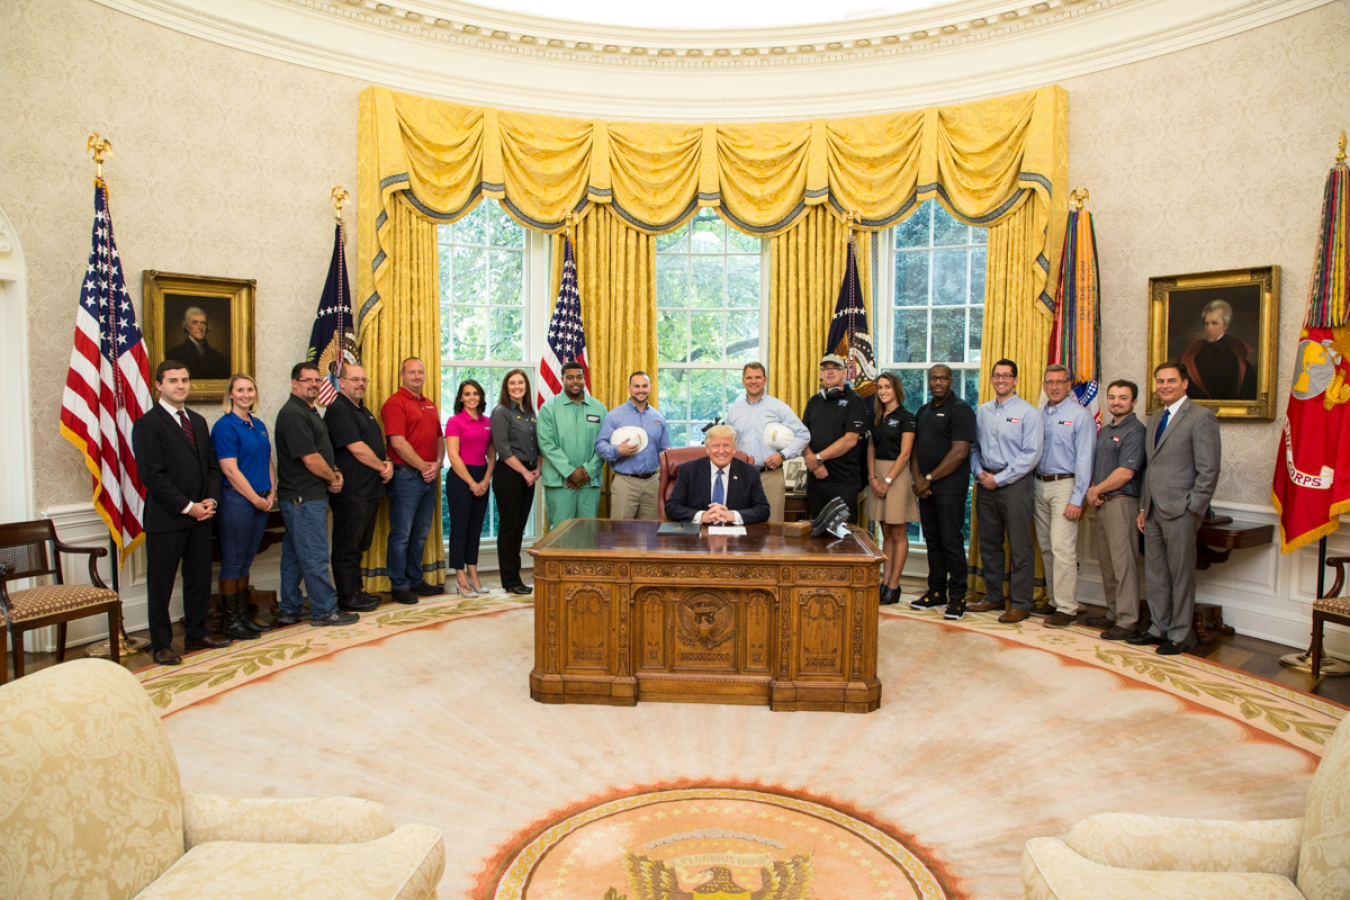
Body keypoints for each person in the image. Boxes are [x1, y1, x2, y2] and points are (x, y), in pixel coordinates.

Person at [132, 360, 229, 666]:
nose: (180, 385)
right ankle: (161, 643)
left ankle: (197, 632)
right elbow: (153, 476)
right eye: (173, 380)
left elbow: (212, 468)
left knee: (199, 577)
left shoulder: (199, 421)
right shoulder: (147, 424)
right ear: (158, 385)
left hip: (202, 516)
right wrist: (188, 507)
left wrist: (211, 500)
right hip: (168, 519)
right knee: (160, 583)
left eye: (185, 380)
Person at [1134, 362, 1221, 655]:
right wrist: (1144, 508)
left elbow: (1208, 471)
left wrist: (1193, 508)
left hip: (1182, 511)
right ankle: (1159, 628)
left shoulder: (1200, 417)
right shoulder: (1155, 418)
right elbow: (1151, 467)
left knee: (1180, 574)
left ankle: (1181, 634)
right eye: (1160, 381)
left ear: (1185, 383)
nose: (1164, 386)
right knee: (1156, 573)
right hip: (1153, 511)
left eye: (1171, 380)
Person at [274, 362, 356, 628]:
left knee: (296, 556)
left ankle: (289, 608)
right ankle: (324, 609)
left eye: (317, 380)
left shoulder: (309, 411)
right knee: (315, 554)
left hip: (306, 495)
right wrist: (333, 478)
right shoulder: (294, 414)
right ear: (294, 383)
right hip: (303, 497)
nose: (313, 384)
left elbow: (320, 450)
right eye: (306, 380)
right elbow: (309, 459)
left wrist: (333, 469)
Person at [968, 359, 1043, 623]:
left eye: (1007, 376)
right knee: (989, 543)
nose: (1001, 380)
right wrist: (978, 472)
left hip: (1014, 485)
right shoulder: (983, 411)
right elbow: (974, 447)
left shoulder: (1028, 413)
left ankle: (1021, 603)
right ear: (991, 379)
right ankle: (993, 595)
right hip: (984, 481)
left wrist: (999, 480)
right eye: (997, 375)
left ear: (1015, 380)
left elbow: (1031, 455)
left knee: (1020, 546)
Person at [909, 365, 977, 618]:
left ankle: (957, 598)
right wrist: (918, 480)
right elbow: (915, 449)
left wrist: (928, 478)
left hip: (949, 488)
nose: (938, 382)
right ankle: (936, 592)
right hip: (926, 489)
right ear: (929, 381)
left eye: (943, 378)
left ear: (951, 380)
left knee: (951, 541)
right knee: (933, 542)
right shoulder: (923, 411)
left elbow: (959, 453)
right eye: (933, 378)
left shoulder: (961, 409)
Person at [1032, 364, 1096, 629]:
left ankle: (1068, 608)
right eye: (1050, 382)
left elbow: (1085, 460)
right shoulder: (1037, 415)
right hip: (1038, 484)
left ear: (1069, 385)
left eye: (1060, 382)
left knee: (1062, 547)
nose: (1054, 387)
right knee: (1046, 547)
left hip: (1066, 486)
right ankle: (1056, 599)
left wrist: (1077, 498)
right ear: (1044, 385)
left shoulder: (1080, 416)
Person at [210, 373, 274, 640]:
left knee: (246, 562)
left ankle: (244, 619)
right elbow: (230, 471)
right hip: (237, 501)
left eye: (250, 389)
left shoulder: (257, 424)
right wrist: (256, 499)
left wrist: (271, 492)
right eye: (240, 390)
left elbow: (268, 460)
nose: (246, 394)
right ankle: (232, 622)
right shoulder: (225, 426)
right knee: (233, 562)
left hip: (262, 499)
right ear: (231, 395)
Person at [325, 364, 391, 614]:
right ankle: (348, 597)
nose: (361, 384)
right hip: (351, 492)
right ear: (341, 382)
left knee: (359, 546)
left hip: (369, 490)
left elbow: (374, 444)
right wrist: (382, 468)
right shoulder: (338, 409)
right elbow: (356, 448)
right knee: (347, 548)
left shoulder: (362, 410)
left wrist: (387, 464)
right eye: (355, 379)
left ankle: (356, 591)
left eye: (364, 379)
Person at [1085, 379, 1147, 641]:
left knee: (1124, 565)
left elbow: (1125, 472)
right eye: (1112, 397)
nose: (1116, 402)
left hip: (1122, 502)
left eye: (1123, 398)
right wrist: (1096, 490)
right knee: (1108, 563)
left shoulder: (1135, 431)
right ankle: (1113, 612)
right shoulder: (1107, 429)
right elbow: (1101, 464)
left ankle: (1128, 619)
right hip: (1104, 503)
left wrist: (1096, 490)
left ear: (1134, 402)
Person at [381, 357, 445, 605]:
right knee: (402, 534)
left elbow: (439, 437)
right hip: (406, 476)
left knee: (420, 533)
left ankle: (415, 579)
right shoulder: (395, 403)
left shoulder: (429, 404)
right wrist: (423, 467)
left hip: (429, 476)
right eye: (412, 372)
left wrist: (438, 464)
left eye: (421, 372)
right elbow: (397, 442)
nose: (417, 376)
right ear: (402, 376)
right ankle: (399, 585)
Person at [725, 361, 810, 523]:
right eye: (749, 377)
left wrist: (783, 455)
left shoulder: (779, 408)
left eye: (758, 377)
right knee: (740, 524)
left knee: (773, 526)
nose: (753, 381)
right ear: (743, 381)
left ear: (765, 380)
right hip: (741, 476)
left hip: (770, 476)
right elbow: (729, 443)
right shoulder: (734, 410)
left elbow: (803, 435)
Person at [866, 372, 917, 606]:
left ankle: (894, 585)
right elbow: (871, 449)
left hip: (896, 476)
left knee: (898, 532)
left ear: (896, 389)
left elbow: (905, 453)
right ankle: (884, 582)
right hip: (877, 474)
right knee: (885, 532)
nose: (883, 391)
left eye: (887, 387)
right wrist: (873, 478)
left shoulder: (907, 417)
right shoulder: (877, 416)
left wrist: (887, 482)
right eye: (879, 387)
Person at [800, 353, 869, 522]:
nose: (830, 372)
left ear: (844, 373)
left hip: (843, 482)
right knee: (817, 533)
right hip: (815, 481)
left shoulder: (856, 402)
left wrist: (817, 458)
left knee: (844, 536)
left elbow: (850, 440)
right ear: (821, 374)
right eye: (825, 369)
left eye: (835, 368)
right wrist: (814, 464)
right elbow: (802, 435)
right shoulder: (814, 402)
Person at [537, 360, 605, 526]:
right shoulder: (548, 408)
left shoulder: (599, 408)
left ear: (584, 379)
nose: (575, 381)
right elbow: (546, 444)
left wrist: (587, 471)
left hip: (589, 482)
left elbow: (605, 443)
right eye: (570, 377)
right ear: (562, 379)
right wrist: (570, 472)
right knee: (560, 534)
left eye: (579, 377)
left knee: (587, 532)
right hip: (560, 483)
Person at [596, 371, 671, 520]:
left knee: (651, 534)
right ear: (629, 388)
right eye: (637, 386)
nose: (641, 390)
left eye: (644, 386)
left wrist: (665, 476)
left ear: (650, 388)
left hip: (652, 484)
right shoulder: (614, 416)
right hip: (625, 482)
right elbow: (600, 445)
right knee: (621, 534)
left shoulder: (658, 418)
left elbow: (665, 451)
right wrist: (617, 450)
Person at [444, 379, 496, 596]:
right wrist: (472, 483)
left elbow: (492, 455)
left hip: (482, 477)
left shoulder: (488, 421)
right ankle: (460, 577)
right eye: (467, 394)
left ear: (481, 397)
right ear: (461, 398)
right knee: (460, 529)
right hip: (460, 478)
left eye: (475, 393)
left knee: (475, 529)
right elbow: (453, 457)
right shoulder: (455, 421)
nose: (472, 397)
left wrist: (484, 481)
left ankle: (474, 574)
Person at [492, 369, 541, 595]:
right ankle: (510, 580)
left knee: (519, 529)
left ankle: (516, 577)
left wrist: (537, 468)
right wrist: (525, 472)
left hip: (529, 475)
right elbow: (503, 449)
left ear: (526, 386)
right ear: (506, 386)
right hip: (511, 474)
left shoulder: (530, 412)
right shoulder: (502, 412)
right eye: (512, 383)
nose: (517, 386)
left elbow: (536, 444)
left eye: (521, 382)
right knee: (510, 528)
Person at [664, 424, 770, 525]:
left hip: (734, 534)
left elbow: (763, 510)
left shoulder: (750, 472)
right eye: (715, 446)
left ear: (734, 449)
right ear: (707, 449)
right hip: (699, 534)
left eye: (726, 446)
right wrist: (702, 516)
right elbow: (672, 507)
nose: (721, 451)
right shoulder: (688, 470)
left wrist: (732, 515)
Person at [1180, 299, 1256, 401]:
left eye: (1214, 323)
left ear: (1225, 326)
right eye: (1206, 324)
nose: (1209, 328)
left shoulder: (1238, 356)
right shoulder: (1191, 355)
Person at [166, 306, 230, 380]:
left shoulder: (217, 356)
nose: (200, 327)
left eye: (203, 323)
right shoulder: (174, 354)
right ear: (187, 326)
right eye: (195, 323)